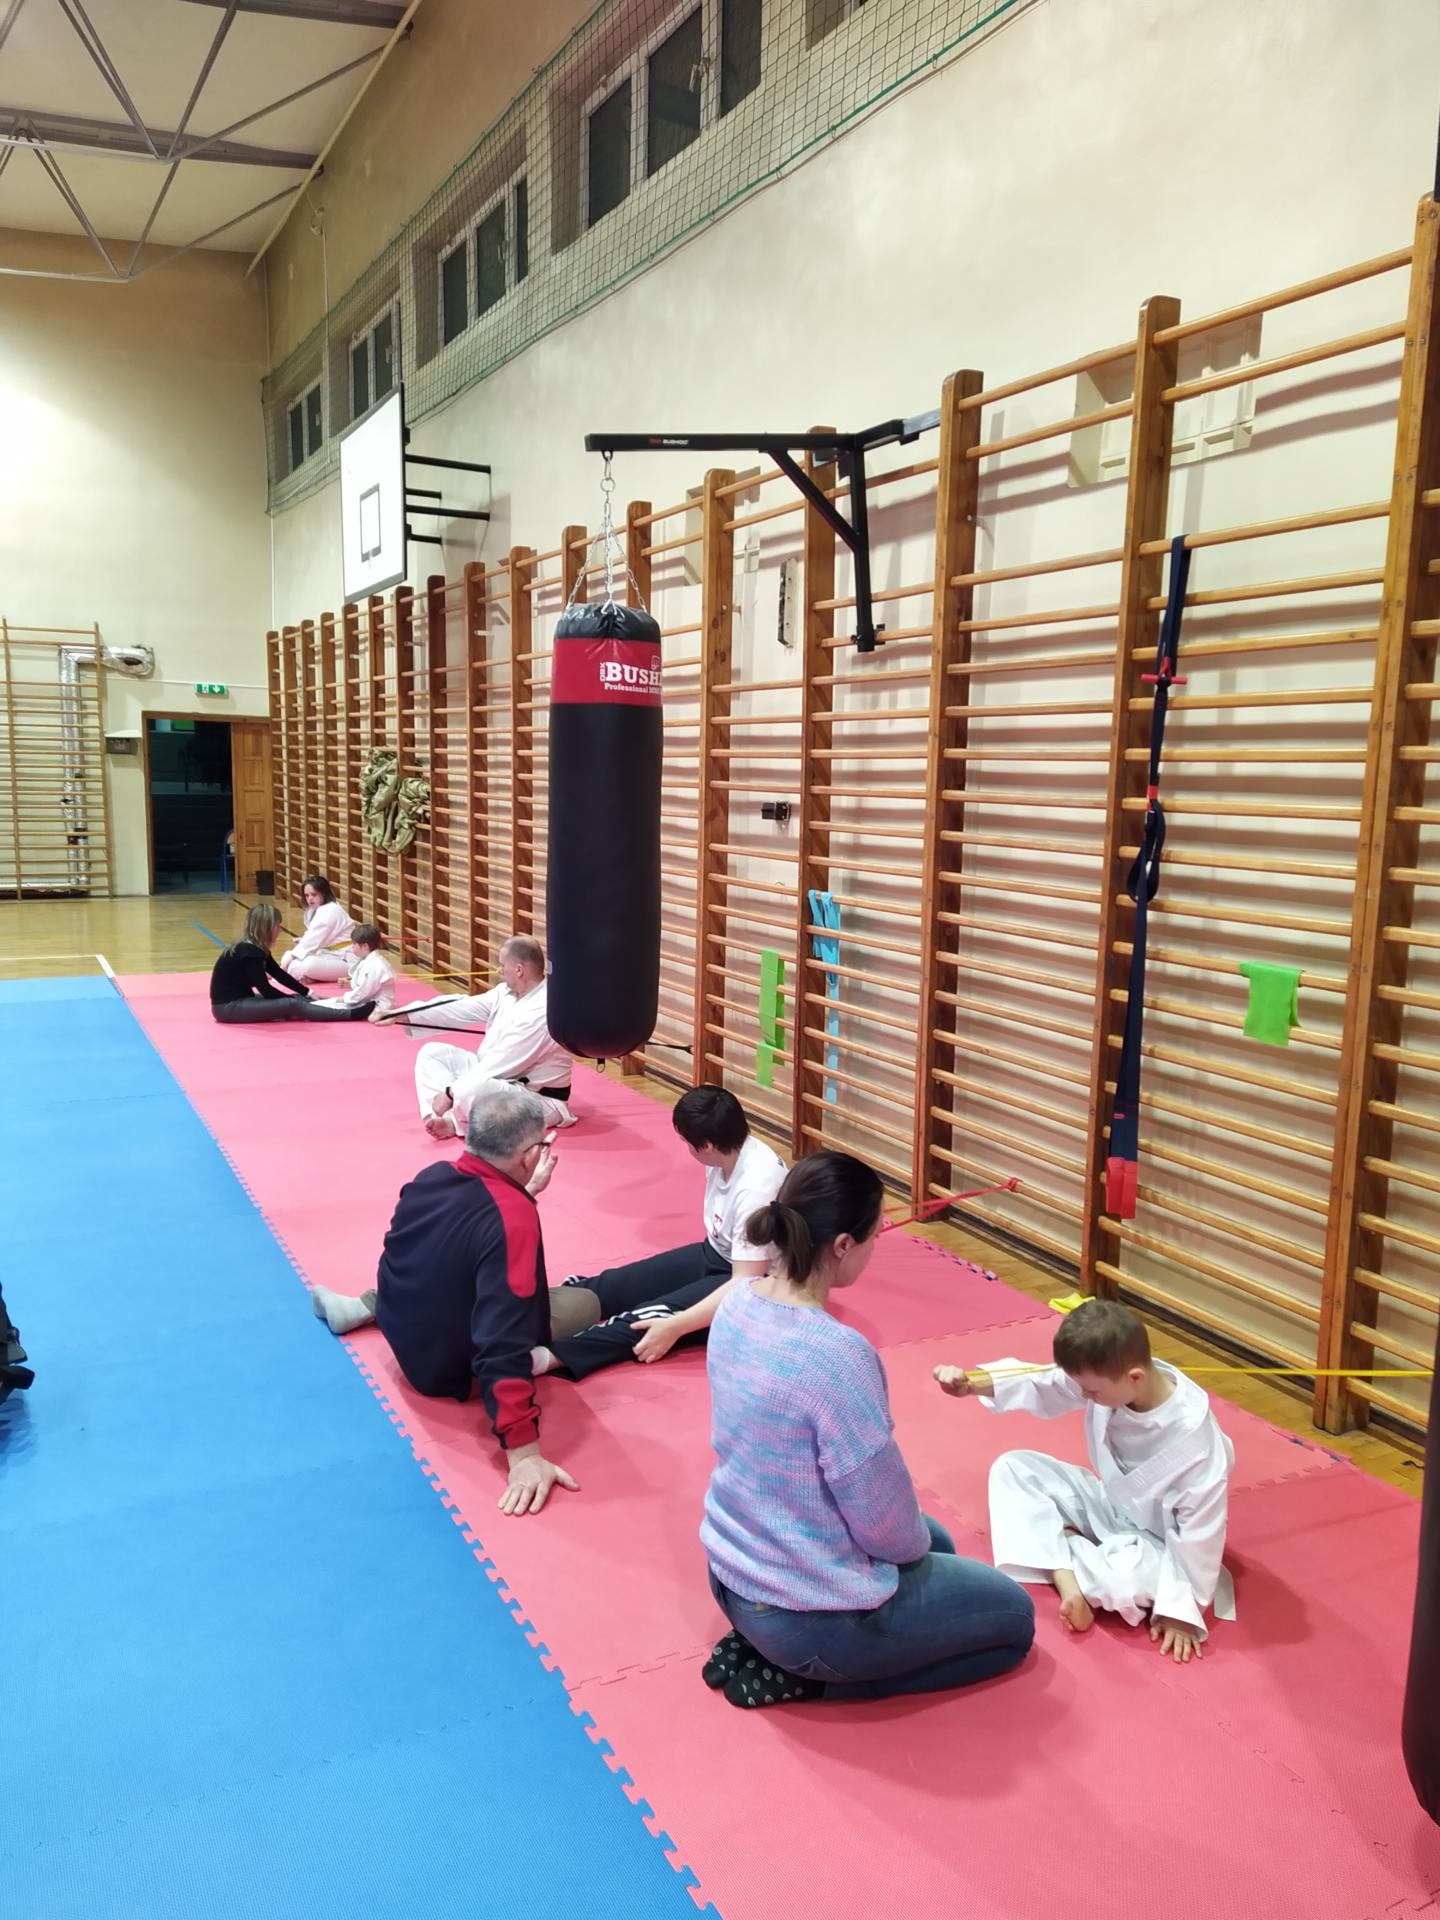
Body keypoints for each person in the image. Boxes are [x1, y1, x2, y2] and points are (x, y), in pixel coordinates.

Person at [701, 1151, 1035, 1709]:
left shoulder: (737, 1306)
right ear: (842, 1246)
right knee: (1014, 1622)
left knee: (939, 1544)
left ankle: (765, 1643)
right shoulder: (837, 1355)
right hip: (801, 1616)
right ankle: (812, 1676)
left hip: (732, 1574)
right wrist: (906, 1551)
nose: (876, 1247)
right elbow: (888, 1531)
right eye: (875, 1236)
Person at [309, 1085, 576, 1517]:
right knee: (597, 1298)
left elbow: (403, 1254)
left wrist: (523, 1194)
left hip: (404, 1333)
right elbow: (501, 1339)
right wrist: (524, 1452)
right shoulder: (514, 1216)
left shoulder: (432, 1176)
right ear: (530, 1156)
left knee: (458, 1254)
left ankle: (364, 1306)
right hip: (449, 1371)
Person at [935, 1298, 1234, 1664]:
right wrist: (973, 1385)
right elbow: (1046, 1381)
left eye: (1092, 1392)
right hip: (1112, 1506)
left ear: (1135, 1377)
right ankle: (1069, 1576)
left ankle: (1063, 1549)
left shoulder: (1194, 1441)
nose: (1085, 1397)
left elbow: (1201, 1531)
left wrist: (1180, 1613)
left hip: (1161, 1542)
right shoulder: (1111, 1376)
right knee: (1013, 1468)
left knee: (1125, 1582)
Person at [533, 1085, 785, 1381]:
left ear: (706, 1145)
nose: (686, 1148)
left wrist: (677, 1325)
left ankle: (545, 1359)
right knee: (614, 1285)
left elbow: (745, 1283)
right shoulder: (725, 1150)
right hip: (716, 1254)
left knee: (645, 1319)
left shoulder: (756, 1188)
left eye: (687, 1142)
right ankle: (531, 1318)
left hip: (755, 1284)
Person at [397, 936, 575, 1134]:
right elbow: (462, 1007)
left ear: (519, 970)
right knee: (432, 1054)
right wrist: (404, 1014)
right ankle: (444, 1117)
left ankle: (456, 1123)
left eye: (502, 966)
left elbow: (503, 1063)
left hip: (537, 1099)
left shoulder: (544, 1010)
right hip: (498, 1079)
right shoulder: (505, 993)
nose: (500, 971)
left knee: (471, 1088)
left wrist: (450, 1093)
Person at [209, 904, 374, 1023]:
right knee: (292, 1003)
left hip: (242, 1000)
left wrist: (307, 992)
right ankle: (349, 1015)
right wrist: (293, 1002)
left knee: (297, 997)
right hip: (228, 1008)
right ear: (266, 928)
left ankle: (343, 1004)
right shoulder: (249, 951)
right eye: (277, 926)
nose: (280, 930)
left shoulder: (257, 948)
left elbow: (279, 974)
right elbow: (266, 990)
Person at [279, 875, 355, 983]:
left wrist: (290, 957)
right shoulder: (313, 910)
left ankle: (303, 975)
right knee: (292, 958)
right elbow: (314, 937)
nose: (310, 898)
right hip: (327, 954)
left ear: (324, 893)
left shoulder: (330, 911)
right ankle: (313, 977)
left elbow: (312, 940)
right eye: (307, 895)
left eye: (314, 894)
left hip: (345, 960)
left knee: (300, 965)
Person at [336, 924, 397, 1020]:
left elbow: (364, 991)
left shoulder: (376, 965)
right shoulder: (369, 960)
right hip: (369, 1001)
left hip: (379, 1006)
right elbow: (364, 986)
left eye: (354, 944)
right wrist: (350, 983)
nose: (352, 947)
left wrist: (345, 998)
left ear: (365, 946)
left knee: (334, 1010)